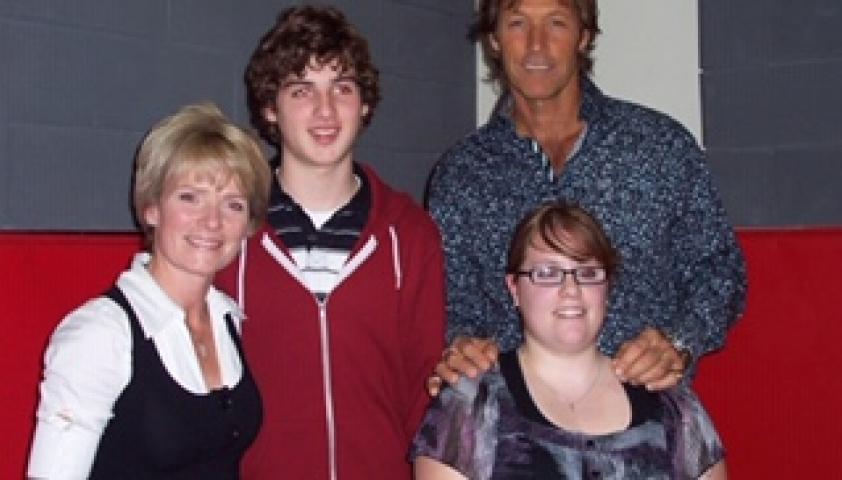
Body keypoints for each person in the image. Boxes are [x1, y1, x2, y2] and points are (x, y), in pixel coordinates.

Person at [426, 0, 747, 393]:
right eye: (518, 24)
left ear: (585, 36)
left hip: (646, 421)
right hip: (513, 432)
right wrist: (461, 346)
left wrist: (679, 343)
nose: (536, 45)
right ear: (494, 39)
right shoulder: (461, 174)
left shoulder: (659, 146)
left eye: (556, 24)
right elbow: (450, 302)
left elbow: (719, 270)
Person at [215, 5, 446, 479]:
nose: (324, 110)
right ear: (269, 108)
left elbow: (428, 396)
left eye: (341, 87)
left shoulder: (411, 234)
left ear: (363, 104)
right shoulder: (228, 233)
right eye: (301, 90)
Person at [27, 103, 271, 479]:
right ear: (152, 208)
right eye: (190, 197)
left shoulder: (227, 320)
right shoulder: (100, 334)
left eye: (233, 205)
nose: (212, 221)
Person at [412, 201, 727, 479]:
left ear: (608, 288)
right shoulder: (470, 404)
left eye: (587, 273)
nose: (571, 290)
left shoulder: (673, 406)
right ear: (514, 288)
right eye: (548, 273)